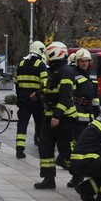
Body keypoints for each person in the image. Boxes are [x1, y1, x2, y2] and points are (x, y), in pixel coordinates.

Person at [35, 41, 76, 190]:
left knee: (66, 149)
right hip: (50, 115)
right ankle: (48, 178)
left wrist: (57, 116)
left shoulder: (65, 71)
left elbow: (65, 96)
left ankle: (77, 175)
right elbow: (51, 90)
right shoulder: (56, 70)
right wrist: (38, 94)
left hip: (63, 117)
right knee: (45, 146)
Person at [68, 48, 100, 187]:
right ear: (77, 61)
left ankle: (89, 174)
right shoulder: (72, 73)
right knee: (77, 146)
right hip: (78, 112)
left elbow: (95, 94)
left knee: (91, 145)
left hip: (90, 113)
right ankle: (77, 176)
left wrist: (97, 110)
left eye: (86, 61)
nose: (84, 63)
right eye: (82, 61)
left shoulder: (92, 73)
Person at [15, 41, 48, 159]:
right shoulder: (41, 65)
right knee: (40, 125)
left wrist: (19, 98)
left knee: (22, 124)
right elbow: (45, 84)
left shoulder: (22, 63)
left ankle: (19, 149)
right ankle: (42, 149)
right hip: (36, 99)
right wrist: (38, 94)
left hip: (23, 98)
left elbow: (16, 83)